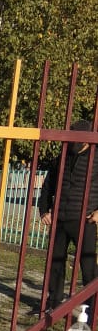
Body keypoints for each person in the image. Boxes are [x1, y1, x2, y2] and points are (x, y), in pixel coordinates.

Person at [38, 118, 98, 313]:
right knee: (55, 262)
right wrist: (44, 210)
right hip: (60, 219)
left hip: (85, 220)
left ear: (87, 140)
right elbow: (48, 185)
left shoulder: (96, 158)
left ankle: (91, 309)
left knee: (88, 266)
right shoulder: (62, 156)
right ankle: (53, 304)